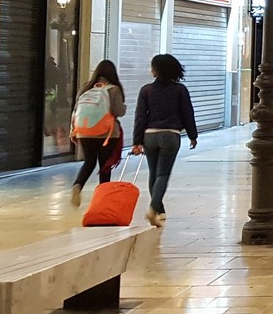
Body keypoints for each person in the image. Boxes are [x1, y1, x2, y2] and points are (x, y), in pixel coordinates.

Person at [131, 54, 197, 227]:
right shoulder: (179, 90)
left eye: (152, 67)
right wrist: (192, 135)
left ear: (157, 70)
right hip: (170, 135)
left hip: (150, 136)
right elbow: (187, 113)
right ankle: (153, 208)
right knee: (162, 174)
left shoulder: (146, 90)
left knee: (154, 174)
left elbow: (140, 117)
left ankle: (160, 211)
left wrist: (137, 141)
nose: (150, 70)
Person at [69, 59, 126, 206]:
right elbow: (118, 111)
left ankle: (78, 185)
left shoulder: (86, 88)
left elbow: (76, 110)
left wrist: (73, 130)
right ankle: (102, 200)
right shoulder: (114, 89)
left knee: (89, 162)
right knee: (104, 167)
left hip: (84, 132)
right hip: (106, 133)